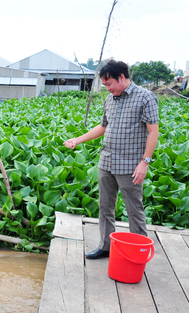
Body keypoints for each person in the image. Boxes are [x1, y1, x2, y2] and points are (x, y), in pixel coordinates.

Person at [63, 60, 159, 259]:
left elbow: (153, 132)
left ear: (121, 77)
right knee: (105, 206)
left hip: (130, 165)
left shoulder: (145, 97)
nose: (107, 89)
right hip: (107, 161)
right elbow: (103, 127)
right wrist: (78, 140)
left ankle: (140, 250)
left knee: (134, 209)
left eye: (109, 84)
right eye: (105, 85)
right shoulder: (110, 100)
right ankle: (105, 246)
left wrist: (145, 162)